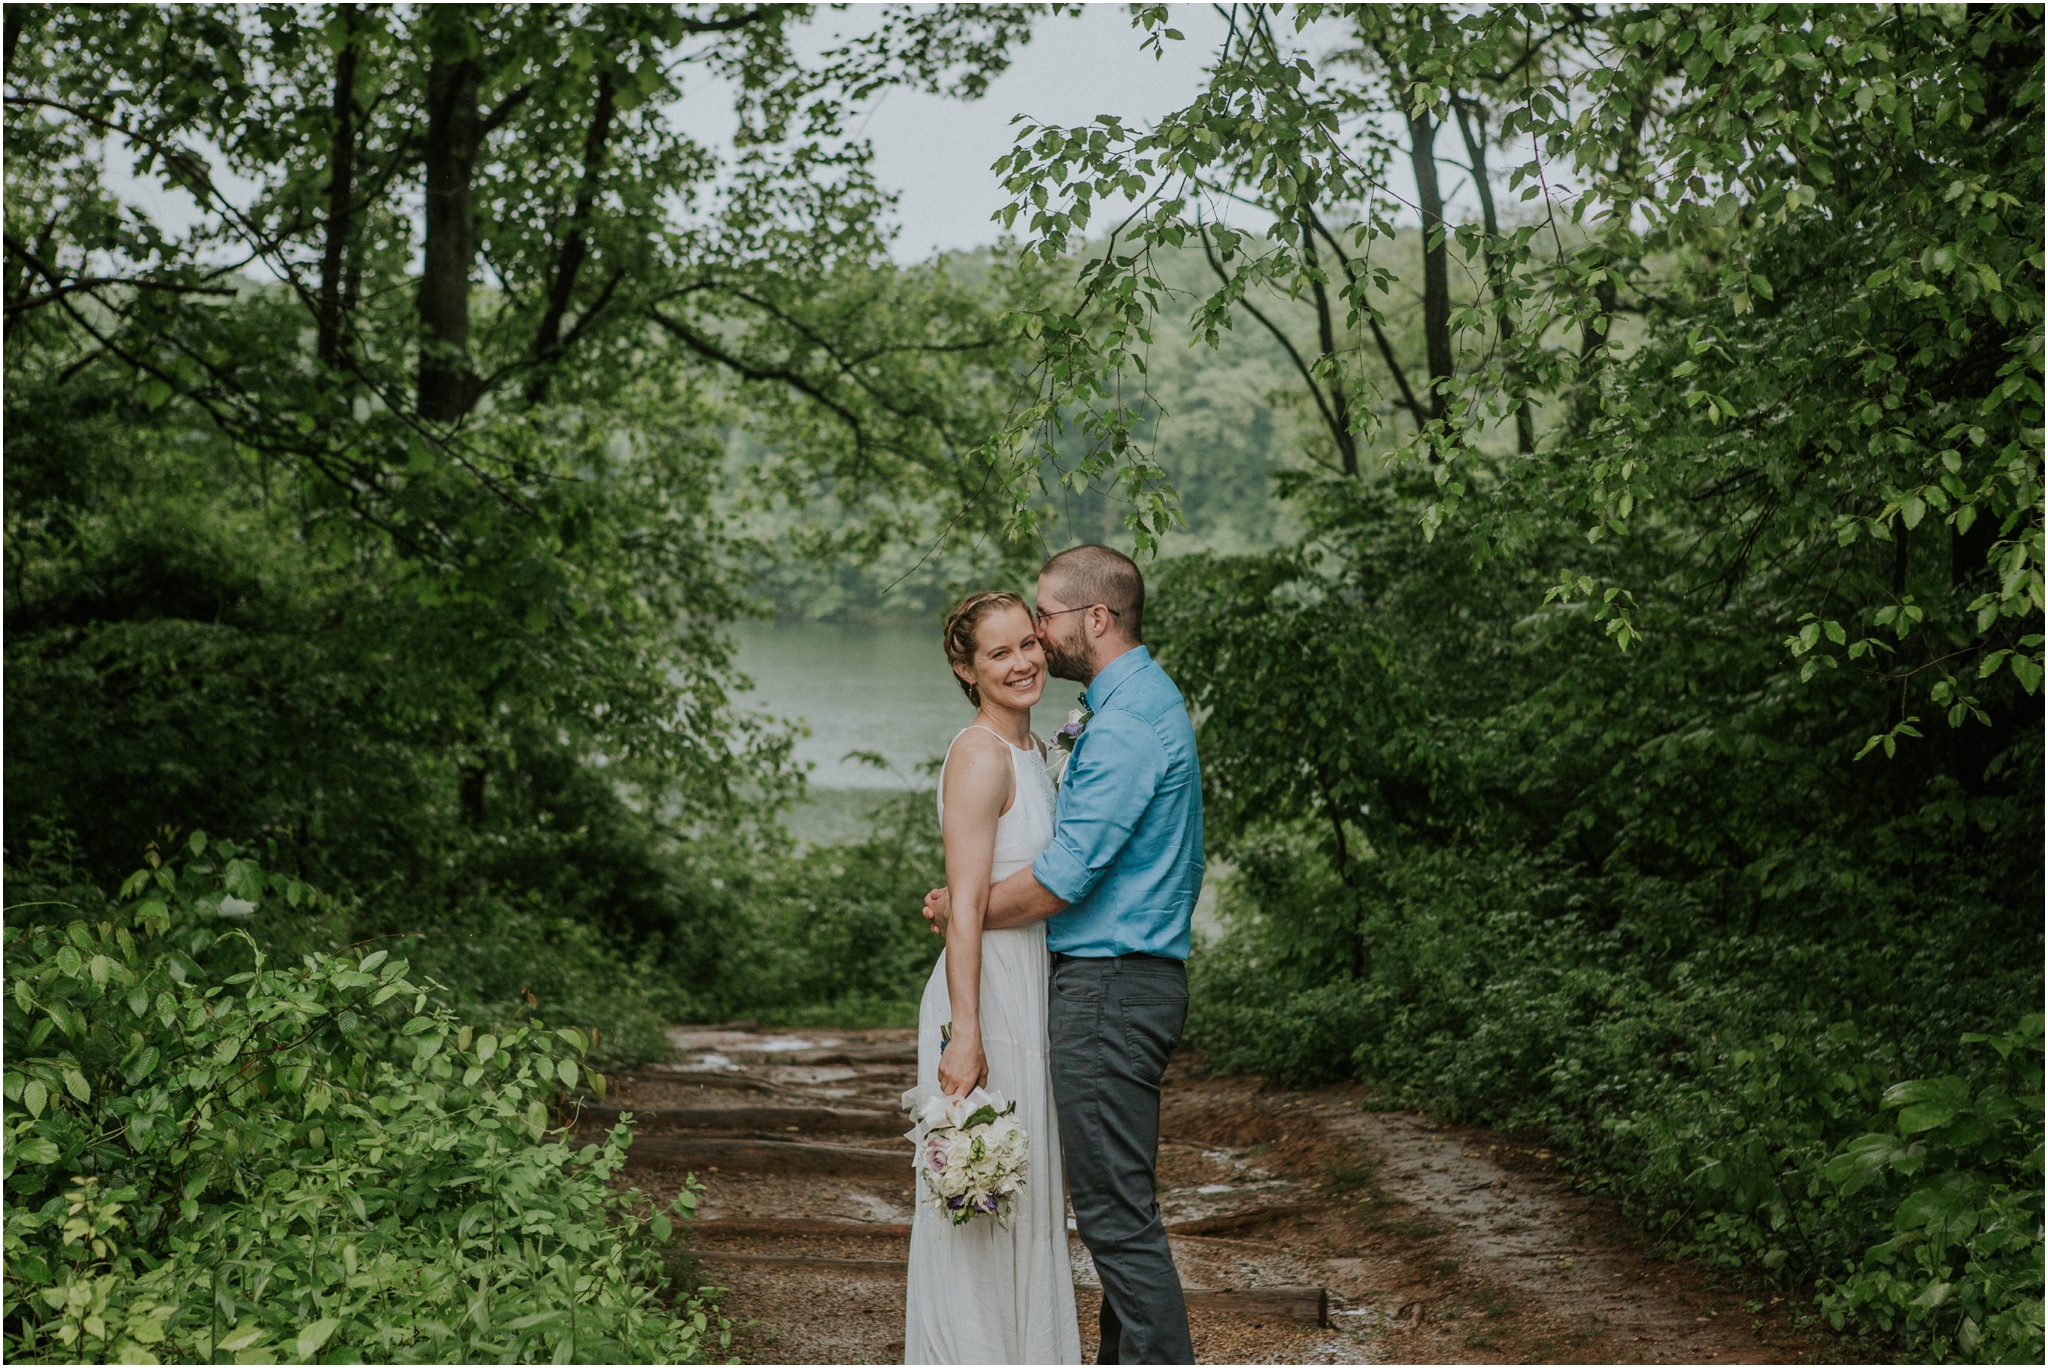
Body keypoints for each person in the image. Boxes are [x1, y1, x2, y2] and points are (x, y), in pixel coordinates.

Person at [922, 546, 1204, 1366]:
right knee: (1118, 1211)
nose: (1037, 640)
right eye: (1008, 642)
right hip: (1102, 985)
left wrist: (959, 906)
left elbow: (1061, 880)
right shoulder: (1125, 708)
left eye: (1042, 619)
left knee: (1117, 1219)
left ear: (1096, 618)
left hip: (1112, 990)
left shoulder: (1124, 723)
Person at [904, 590, 1081, 1365]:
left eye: (1027, 645)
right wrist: (965, 1035)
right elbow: (967, 908)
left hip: (1029, 979)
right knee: (985, 1192)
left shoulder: (1035, 750)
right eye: (998, 653)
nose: (1022, 663)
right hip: (986, 994)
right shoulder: (978, 754)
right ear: (965, 669)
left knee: (1029, 1190)